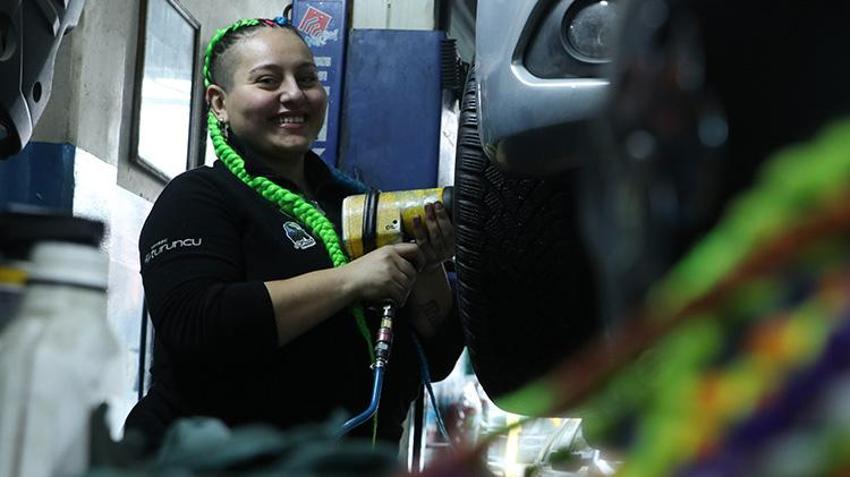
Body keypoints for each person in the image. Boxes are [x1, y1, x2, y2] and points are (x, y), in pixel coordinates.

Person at [124, 17, 464, 452]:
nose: (294, 94)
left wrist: (429, 265)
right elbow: (196, 325)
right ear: (219, 103)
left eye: (307, 78)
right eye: (268, 80)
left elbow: (433, 360)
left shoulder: (357, 206)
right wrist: (351, 280)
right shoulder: (198, 198)